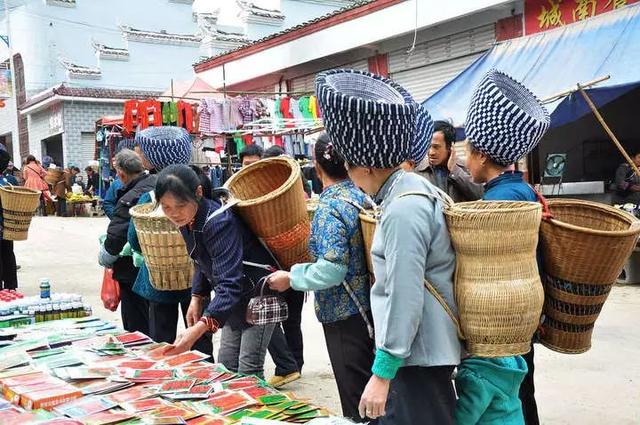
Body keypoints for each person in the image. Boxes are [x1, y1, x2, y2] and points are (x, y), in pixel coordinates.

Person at [317, 69, 461, 424]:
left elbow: (403, 295)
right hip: (418, 355)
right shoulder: (409, 191)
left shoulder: (403, 207)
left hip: (417, 359)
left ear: (363, 166)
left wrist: (382, 373)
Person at [463, 69, 551, 425]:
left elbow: (486, 265)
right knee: (522, 384)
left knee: (513, 388)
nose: (464, 161)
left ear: (482, 155)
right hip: (523, 304)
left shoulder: (500, 200)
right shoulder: (519, 188)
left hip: (507, 311)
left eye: (466, 152)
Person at [267, 134, 375, 422]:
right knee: (369, 392)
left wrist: (292, 277)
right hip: (367, 308)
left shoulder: (329, 208)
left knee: (356, 399)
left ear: (316, 165)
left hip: (343, 315)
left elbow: (332, 269)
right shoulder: (360, 196)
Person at [153, 165, 278, 377]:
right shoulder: (188, 219)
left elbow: (230, 284)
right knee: (226, 367)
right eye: (166, 207)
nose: (174, 214)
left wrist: (199, 328)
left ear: (198, 193)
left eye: (180, 206)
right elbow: (201, 259)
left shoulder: (220, 222)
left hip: (259, 295)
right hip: (231, 301)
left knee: (249, 369)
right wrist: (196, 297)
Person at [127, 127, 213, 357]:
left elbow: (135, 239)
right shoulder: (200, 188)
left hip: (159, 279)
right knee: (200, 337)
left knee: (162, 339)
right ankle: (208, 377)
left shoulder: (152, 196)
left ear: (155, 157)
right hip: (198, 278)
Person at [259, 144, 306, 387]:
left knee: (290, 319)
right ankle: (290, 364)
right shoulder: (261, 195)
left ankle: (293, 364)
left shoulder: (295, 193)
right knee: (276, 318)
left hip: (292, 265)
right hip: (273, 267)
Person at [98, 149, 155, 334]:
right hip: (159, 267)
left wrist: (104, 257)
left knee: (137, 327)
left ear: (121, 174)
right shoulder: (157, 183)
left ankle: (141, 357)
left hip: (133, 273)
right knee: (156, 321)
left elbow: (115, 240)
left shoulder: (128, 199)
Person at [415, 120, 483, 202]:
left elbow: (480, 195)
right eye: (428, 146)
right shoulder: (417, 170)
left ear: (449, 147)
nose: (431, 152)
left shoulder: (466, 166)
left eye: (436, 147)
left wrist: (455, 170)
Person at [0, 145, 18, 290]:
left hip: (4, 222)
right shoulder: (6, 181)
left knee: (6, 253)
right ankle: (10, 286)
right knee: (7, 252)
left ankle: (8, 286)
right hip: (6, 222)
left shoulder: (6, 181)